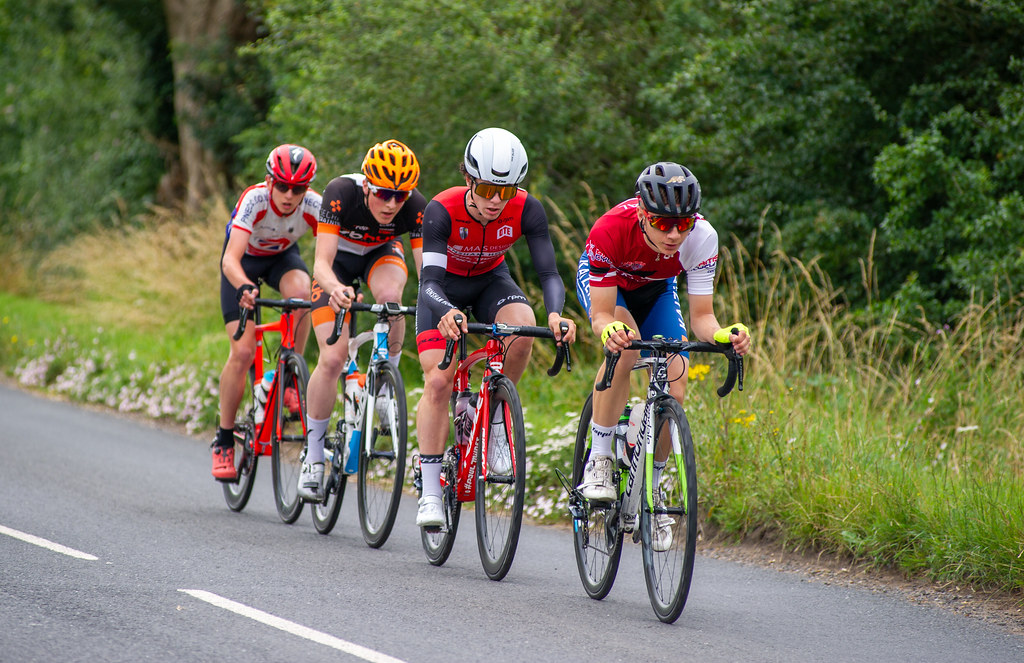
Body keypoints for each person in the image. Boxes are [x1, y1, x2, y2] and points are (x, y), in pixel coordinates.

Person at [575, 161, 750, 546]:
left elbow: (703, 317)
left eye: (683, 224)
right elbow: (602, 314)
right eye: (661, 222)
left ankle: (652, 487)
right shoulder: (610, 228)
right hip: (609, 288)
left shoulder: (702, 237)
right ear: (641, 212)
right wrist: (609, 329)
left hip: (657, 290)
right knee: (623, 348)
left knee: (677, 379)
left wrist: (724, 334)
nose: (673, 234)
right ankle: (601, 457)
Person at [413, 127, 577, 527]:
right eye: (486, 189)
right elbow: (428, 282)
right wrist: (448, 310)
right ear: (469, 179)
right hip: (443, 288)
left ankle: (499, 420)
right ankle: (431, 491)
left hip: (490, 281)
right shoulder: (440, 209)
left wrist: (556, 314)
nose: (494, 201)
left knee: (524, 328)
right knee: (438, 381)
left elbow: (549, 274)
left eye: (505, 192)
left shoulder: (527, 208)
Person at [296, 140, 426, 501]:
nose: (391, 204)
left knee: (392, 301)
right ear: (368, 185)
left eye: (400, 196)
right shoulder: (340, 193)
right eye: (384, 193)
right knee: (333, 358)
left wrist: (438, 301)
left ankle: (385, 385)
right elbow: (321, 263)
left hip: (380, 256)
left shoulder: (415, 207)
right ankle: (315, 454)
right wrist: (336, 289)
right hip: (336, 265)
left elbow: (424, 271)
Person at [211, 144, 321, 480]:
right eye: (283, 186)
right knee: (243, 352)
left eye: (298, 188)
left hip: (281, 259)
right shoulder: (254, 200)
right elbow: (231, 259)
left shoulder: (315, 206)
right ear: (269, 181)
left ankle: (289, 375)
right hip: (242, 263)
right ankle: (224, 438)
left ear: (307, 189)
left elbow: (336, 253)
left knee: (303, 294)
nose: (289, 195)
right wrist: (244, 286)